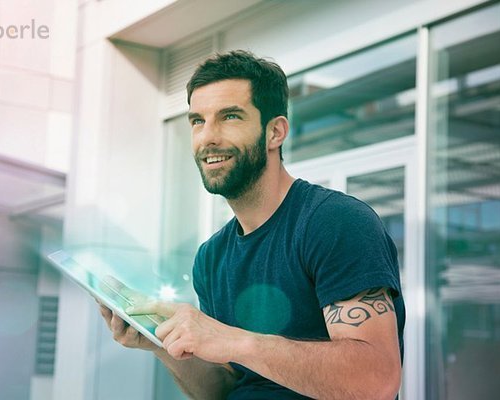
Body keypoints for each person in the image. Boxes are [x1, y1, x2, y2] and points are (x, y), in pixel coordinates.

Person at [98, 50, 405, 400]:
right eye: (198, 121)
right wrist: (159, 343)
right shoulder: (212, 257)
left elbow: (376, 380)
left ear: (275, 132)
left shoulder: (335, 222)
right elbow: (225, 388)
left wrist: (232, 339)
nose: (207, 137)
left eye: (229, 117)